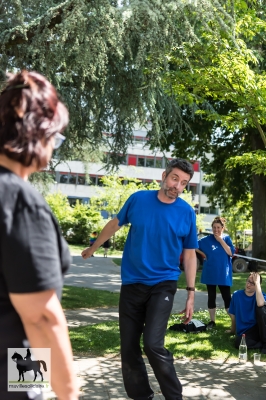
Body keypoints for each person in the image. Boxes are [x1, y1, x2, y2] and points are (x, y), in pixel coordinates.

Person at [82, 158, 198, 400]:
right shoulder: (138, 199)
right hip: (133, 283)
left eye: (184, 183)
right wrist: (94, 247)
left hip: (163, 284)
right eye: (175, 178)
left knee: (153, 344)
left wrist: (190, 293)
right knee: (129, 347)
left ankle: (174, 396)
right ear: (164, 176)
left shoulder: (186, 212)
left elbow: (189, 255)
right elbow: (115, 224)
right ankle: (142, 396)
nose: (178, 186)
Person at [0, 71, 79, 400]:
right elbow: (41, 317)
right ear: (38, 132)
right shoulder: (18, 200)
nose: (53, 147)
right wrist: (68, 394)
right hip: (12, 372)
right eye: (55, 138)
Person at [196, 217, 235, 329]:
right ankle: (212, 321)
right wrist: (203, 254)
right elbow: (193, 245)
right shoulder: (206, 240)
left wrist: (220, 240)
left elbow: (230, 253)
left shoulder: (227, 239)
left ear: (222, 228)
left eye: (218, 227)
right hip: (210, 272)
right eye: (214, 227)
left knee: (227, 297)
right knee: (211, 296)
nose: (216, 230)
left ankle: (235, 322)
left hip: (223, 273)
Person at [227, 272, 266, 353]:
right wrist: (232, 330)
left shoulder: (260, 295)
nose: (248, 284)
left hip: (259, 327)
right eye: (248, 281)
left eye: (252, 283)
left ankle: (264, 342)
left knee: (261, 308)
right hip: (246, 332)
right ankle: (262, 344)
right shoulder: (237, 295)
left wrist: (257, 283)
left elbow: (261, 304)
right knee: (239, 343)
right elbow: (233, 316)